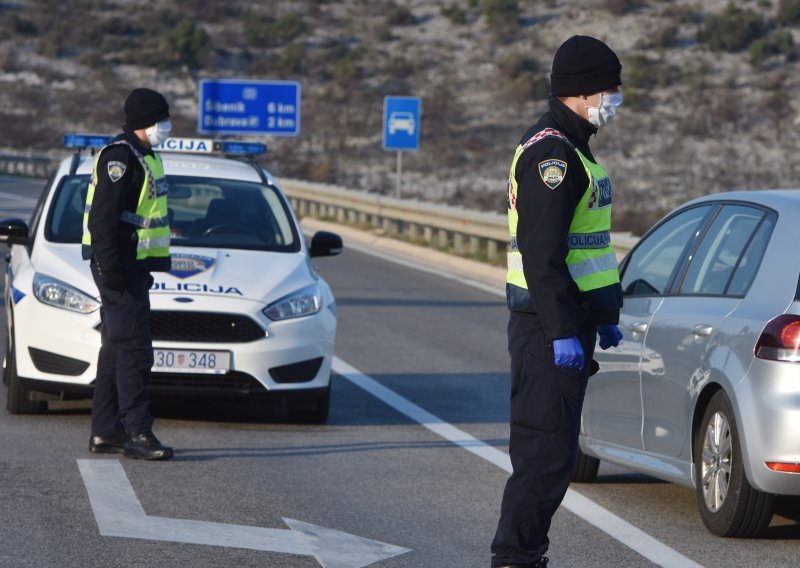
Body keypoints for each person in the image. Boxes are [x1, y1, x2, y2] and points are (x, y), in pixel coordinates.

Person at [491, 36, 626, 567]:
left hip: (569, 321)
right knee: (544, 455)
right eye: (610, 87)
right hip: (549, 329)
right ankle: (515, 558)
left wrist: (605, 313)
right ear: (582, 91)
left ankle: (522, 554)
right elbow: (543, 255)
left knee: (552, 453)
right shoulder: (553, 153)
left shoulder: (572, 146)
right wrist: (560, 330)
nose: (615, 97)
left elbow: (585, 246)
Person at [82, 88, 174, 460]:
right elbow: (102, 221)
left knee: (116, 349)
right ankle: (137, 432)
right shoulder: (120, 158)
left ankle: (106, 431)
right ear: (145, 122)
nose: (167, 126)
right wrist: (112, 269)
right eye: (162, 119)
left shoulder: (144, 156)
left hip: (130, 266)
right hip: (118, 266)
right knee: (135, 349)